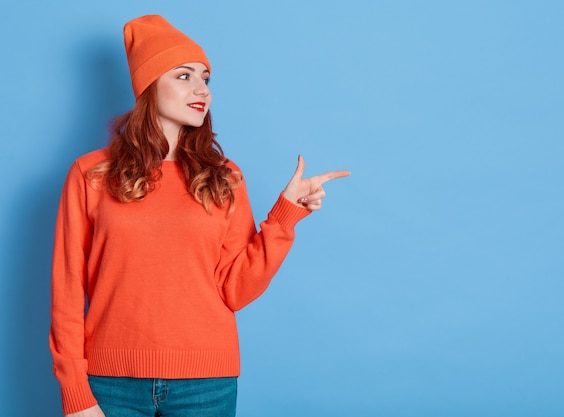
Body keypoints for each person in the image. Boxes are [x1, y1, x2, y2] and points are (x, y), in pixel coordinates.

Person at [49, 14, 350, 417]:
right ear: (149, 85)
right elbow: (67, 291)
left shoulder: (226, 178)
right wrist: (74, 391)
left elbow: (235, 289)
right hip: (109, 384)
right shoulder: (91, 174)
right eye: (184, 76)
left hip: (206, 385)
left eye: (206, 78)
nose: (202, 90)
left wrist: (285, 216)